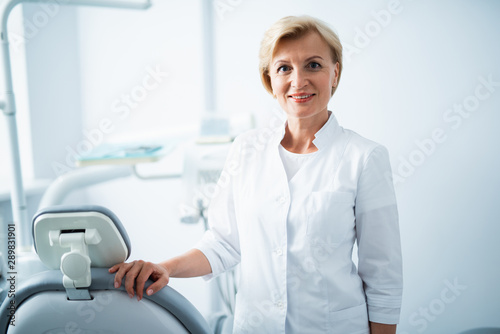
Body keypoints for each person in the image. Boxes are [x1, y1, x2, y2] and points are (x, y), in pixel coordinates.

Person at [109, 15, 403, 334]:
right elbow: (223, 243)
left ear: (335, 73)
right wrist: (163, 268)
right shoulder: (247, 149)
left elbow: (382, 276)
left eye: (313, 65)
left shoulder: (364, 157)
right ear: (269, 80)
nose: (298, 80)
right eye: (284, 68)